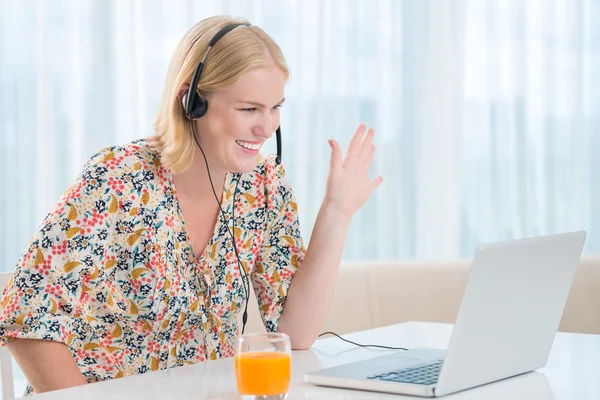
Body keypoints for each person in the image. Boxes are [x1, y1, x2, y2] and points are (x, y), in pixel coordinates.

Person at [0, 15, 382, 395]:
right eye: (249, 109)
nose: (266, 128)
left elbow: (295, 333)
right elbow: (25, 317)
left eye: (275, 107)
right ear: (192, 102)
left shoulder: (263, 186)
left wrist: (337, 212)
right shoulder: (119, 179)